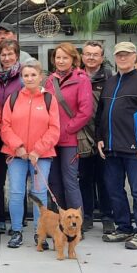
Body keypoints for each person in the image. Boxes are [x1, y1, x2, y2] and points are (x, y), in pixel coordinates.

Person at [96, 41, 137, 250]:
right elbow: (101, 115)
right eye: (119, 55)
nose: (122, 58)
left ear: (135, 56)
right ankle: (123, 227)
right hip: (111, 148)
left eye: (126, 54)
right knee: (114, 190)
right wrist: (99, 138)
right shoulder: (110, 82)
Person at [1, 60, 61, 248]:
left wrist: (37, 150)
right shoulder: (13, 98)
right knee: (16, 192)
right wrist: (17, 145)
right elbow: (5, 126)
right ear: (21, 77)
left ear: (41, 76)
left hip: (40, 156)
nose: (29, 78)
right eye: (26, 75)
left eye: (33, 75)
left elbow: (54, 129)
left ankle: (39, 232)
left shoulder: (49, 99)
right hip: (16, 155)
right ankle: (17, 231)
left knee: (39, 193)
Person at [43, 42, 94, 211]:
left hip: (70, 139)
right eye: (58, 57)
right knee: (54, 180)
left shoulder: (81, 79)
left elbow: (85, 112)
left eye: (65, 57)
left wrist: (66, 130)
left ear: (73, 59)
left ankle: (75, 221)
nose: (61, 61)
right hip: (51, 139)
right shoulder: (49, 81)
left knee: (70, 180)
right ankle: (59, 218)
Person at [0, 39, 23, 234]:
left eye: (10, 54)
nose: (7, 58)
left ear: (17, 55)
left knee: (19, 180)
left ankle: (20, 218)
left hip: (18, 135)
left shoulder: (24, 76)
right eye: (3, 54)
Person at [79, 41, 112, 233]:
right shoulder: (76, 76)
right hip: (82, 136)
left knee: (105, 179)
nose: (91, 57)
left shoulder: (110, 78)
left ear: (102, 57)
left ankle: (107, 217)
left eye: (95, 54)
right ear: (82, 56)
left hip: (103, 136)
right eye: (87, 54)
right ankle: (88, 216)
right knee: (84, 178)